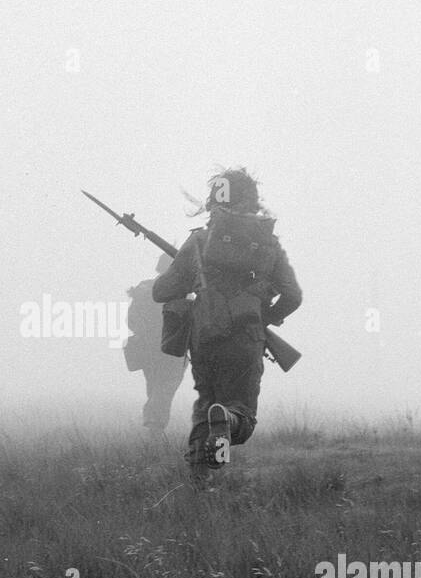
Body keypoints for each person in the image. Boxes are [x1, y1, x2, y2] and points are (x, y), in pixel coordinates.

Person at [152, 168, 301, 483]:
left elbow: (161, 292)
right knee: (239, 415)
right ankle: (229, 421)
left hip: (205, 338)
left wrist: (194, 278)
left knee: (206, 405)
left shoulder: (198, 241)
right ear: (252, 200)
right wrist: (266, 317)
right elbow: (293, 296)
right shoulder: (268, 244)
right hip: (246, 339)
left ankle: (200, 484)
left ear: (213, 200)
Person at [123, 253, 189, 430]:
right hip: (172, 348)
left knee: (154, 387)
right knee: (165, 387)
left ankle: (152, 422)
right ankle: (154, 425)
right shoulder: (182, 293)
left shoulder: (145, 289)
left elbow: (130, 320)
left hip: (148, 349)